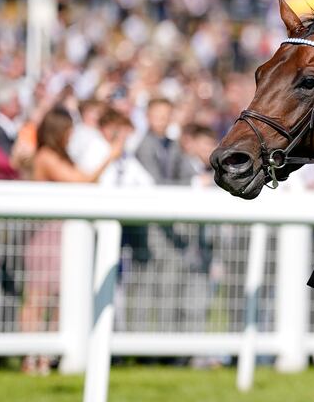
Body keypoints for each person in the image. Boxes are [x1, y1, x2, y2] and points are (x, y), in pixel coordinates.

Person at [19, 105, 124, 374]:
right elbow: (81, 181)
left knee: (59, 298)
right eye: (67, 131)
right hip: (47, 236)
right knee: (38, 298)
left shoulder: (60, 155)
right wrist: (109, 157)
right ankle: (30, 357)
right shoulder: (46, 156)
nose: (71, 136)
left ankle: (47, 357)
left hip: (63, 235)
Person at [134, 96, 190, 185]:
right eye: (157, 114)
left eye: (166, 114)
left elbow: (186, 172)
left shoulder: (174, 144)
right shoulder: (144, 147)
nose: (162, 119)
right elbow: (156, 183)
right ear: (147, 116)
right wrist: (193, 183)